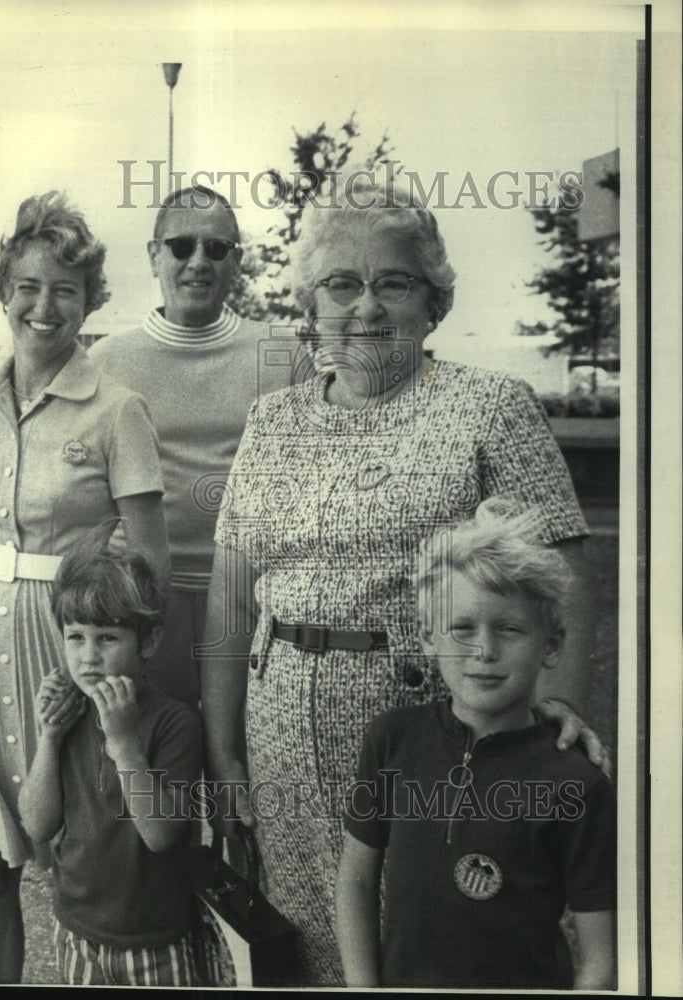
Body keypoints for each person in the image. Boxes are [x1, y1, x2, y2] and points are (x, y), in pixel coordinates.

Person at [200, 170, 609, 986]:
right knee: (304, 929)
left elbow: (566, 565)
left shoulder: (488, 406)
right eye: (340, 285)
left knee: (431, 926)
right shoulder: (272, 421)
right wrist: (224, 754)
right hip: (278, 724)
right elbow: (229, 595)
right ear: (309, 306)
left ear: (432, 301)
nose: (365, 307)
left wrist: (555, 703)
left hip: (422, 724)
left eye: (393, 283)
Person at [0, 191, 169, 983]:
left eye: (65, 289)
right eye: (28, 286)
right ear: (4, 291)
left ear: (90, 302)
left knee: (75, 853)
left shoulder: (118, 410)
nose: (43, 306)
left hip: (62, 642)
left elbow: (151, 567)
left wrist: (116, 668)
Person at [336, 498, 616, 990]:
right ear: (427, 636)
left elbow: (599, 961)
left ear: (551, 644)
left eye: (509, 629)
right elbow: (356, 881)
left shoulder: (576, 781)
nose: (483, 652)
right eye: (462, 628)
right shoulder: (392, 739)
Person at [89, 186, 299, 704]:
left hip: (252, 596)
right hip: (142, 597)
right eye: (181, 246)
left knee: (239, 760)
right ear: (154, 255)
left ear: (237, 261)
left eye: (217, 248)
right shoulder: (107, 360)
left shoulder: (283, 355)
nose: (198, 262)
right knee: (161, 756)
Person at [19, 542, 202, 987]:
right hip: (77, 933)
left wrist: (123, 742)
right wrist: (49, 737)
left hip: (158, 943)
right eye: (75, 637)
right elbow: (37, 824)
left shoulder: (175, 722)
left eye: (108, 638)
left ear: (150, 642)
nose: (88, 656)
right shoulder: (68, 712)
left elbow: (160, 834)